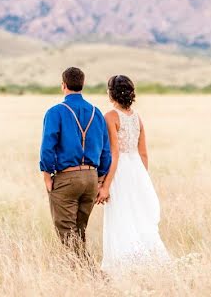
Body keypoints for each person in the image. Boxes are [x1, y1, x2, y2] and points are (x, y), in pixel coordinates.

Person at [98, 75, 170, 272]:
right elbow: (144, 153)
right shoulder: (137, 117)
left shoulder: (110, 116)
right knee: (138, 215)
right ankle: (147, 264)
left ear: (111, 93)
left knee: (120, 215)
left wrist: (105, 184)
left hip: (119, 172)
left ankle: (123, 267)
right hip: (137, 170)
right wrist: (142, 178)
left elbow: (114, 153)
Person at [39, 67, 111, 261]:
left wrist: (46, 175)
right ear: (82, 84)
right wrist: (101, 179)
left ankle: (90, 274)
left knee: (66, 232)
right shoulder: (96, 113)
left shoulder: (55, 112)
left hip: (67, 177)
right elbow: (106, 150)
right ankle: (81, 276)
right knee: (79, 231)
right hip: (91, 178)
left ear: (63, 85)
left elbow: (48, 146)